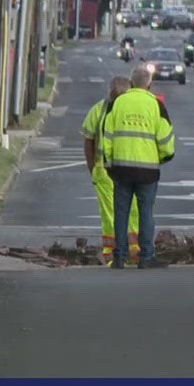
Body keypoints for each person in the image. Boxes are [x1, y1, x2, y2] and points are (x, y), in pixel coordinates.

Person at [99, 66, 176, 269]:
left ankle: (119, 257)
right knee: (146, 213)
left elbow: (106, 135)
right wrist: (162, 157)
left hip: (121, 167)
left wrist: (109, 163)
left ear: (132, 83)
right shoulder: (156, 105)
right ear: (149, 84)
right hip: (148, 170)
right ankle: (146, 256)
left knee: (121, 213)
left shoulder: (117, 103)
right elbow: (166, 139)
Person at [83, 77, 139, 266]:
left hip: (119, 169)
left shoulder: (100, 110)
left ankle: (127, 251)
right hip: (110, 171)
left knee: (128, 212)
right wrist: (94, 169)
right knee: (116, 213)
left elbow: (88, 140)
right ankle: (119, 252)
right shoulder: (101, 110)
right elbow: (89, 139)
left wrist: (93, 168)